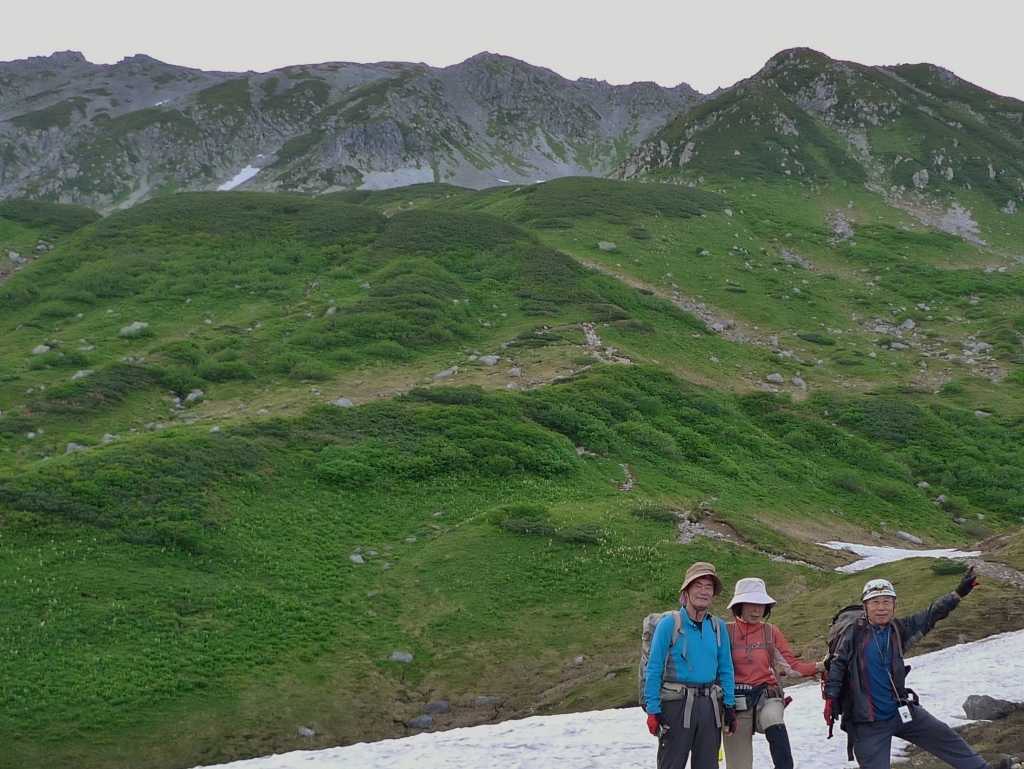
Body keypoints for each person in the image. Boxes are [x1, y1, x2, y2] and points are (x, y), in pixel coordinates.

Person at [823, 567, 994, 769]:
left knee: (945, 737)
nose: (881, 607)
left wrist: (958, 594)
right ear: (865, 606)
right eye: (875, 602)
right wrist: (831, 697)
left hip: (900, 710)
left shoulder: (898, 629)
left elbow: (931, 614)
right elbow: (838, 663)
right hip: (868, 722)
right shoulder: (854, 633)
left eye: (887, 602)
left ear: (894, 605)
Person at [723, 577, 824, 769]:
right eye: (751, 604)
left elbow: (792, 667)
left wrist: (821, 666)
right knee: (738, 765)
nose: (756, 610)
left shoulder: (770, 632)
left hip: (767, 697)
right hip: (735, 704)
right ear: (739, 606)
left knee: (773, 719)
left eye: (761, 604)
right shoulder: (725, 631)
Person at [644, 561, 737, 769]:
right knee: (671, 764)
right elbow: (654, 668)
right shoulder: (669, 624)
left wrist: (729, 706)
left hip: (710, 707)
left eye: (709, 587)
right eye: (698, 585)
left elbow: (726, 669)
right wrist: (653, 710)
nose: (704, 591)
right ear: (686, 591)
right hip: (676, 706)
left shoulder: (718, 627)